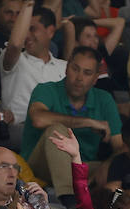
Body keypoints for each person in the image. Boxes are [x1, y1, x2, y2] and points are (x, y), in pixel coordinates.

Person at [23, 46, 124, 196]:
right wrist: (88, 122)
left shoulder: (104, 99)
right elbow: (38, 119)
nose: (79, 78)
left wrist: (108, 165)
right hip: (41, 167)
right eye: (75, 69)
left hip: (82, 167)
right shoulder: (46, 89)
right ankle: (69, 198)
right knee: (57, 130)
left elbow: (120, 147)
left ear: (96, 78)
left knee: (124, 166)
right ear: (66, 68)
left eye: (87, 73)